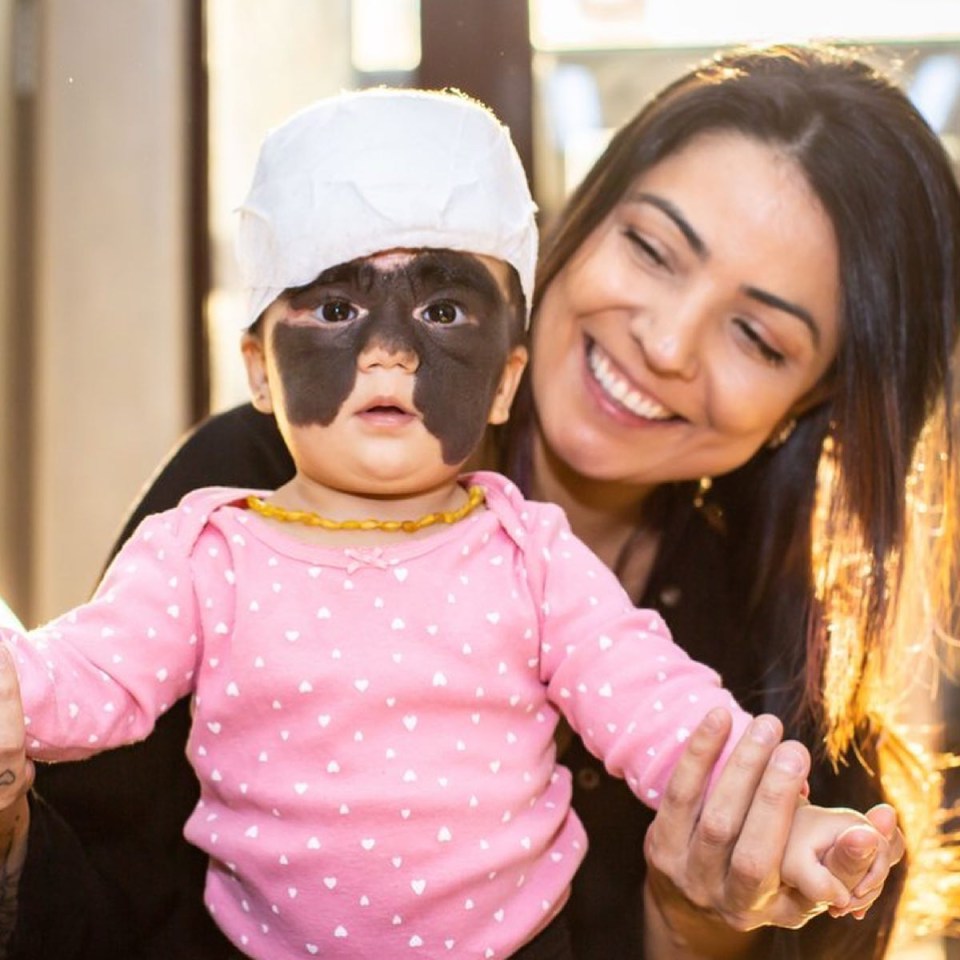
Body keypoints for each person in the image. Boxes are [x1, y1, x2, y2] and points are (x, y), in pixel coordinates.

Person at [2, 40, 956, 960]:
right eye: (655, 249)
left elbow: (677, 728)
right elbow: (87, 792)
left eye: (756, 333)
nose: (666, 343)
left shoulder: (745, 648)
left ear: (812, 401)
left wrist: (721, 890)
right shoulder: (231, 508)